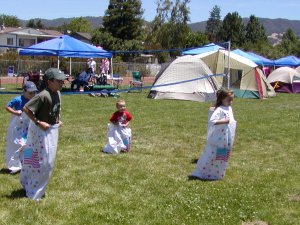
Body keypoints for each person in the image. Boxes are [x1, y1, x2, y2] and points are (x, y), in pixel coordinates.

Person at [20, 68, 66, 200]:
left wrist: (56, 119)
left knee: (44, 160)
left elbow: (55, 109)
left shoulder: (57, 93)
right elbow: (26, 109)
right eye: (59, 81)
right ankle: (32, 188)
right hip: (40, 132)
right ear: (50, 81)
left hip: (50, 130)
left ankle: (31, 184)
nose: (62, 83)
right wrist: (38, 122)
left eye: (63, 80)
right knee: (39, 160)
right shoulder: (43, 95)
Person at [190, 88, 237, 180]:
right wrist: (224, 121)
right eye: (229, 100)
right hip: (218, 138)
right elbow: (212, 121)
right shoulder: (219, 109)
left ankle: (217, 173)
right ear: (222, 99)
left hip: (225, 139)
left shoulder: (229, 108)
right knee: (211, 154)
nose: (231, 102)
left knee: (222, 156)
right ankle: (201, 172)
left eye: (232, 100)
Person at [5, 81, 37, 174]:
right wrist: (15, 112)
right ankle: (14, 166)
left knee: (28, 144)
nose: (32, 95)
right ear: (24, 91)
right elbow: (7, 107)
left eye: (34, 93)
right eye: (30, 93)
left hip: (28, 126)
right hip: (17, 126)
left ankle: (27, 163)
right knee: (16, 145)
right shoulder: (18, 100)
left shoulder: (33, 100)